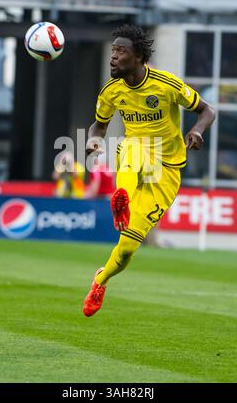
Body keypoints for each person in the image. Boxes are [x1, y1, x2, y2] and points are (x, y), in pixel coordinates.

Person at [82, 24, 215, 317]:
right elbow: (99, 125)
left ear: (139, 56)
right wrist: (93, 139)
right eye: (113, 50)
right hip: (137, 149)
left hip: (168, 168)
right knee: (133, 150)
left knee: (128, 248)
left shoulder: (166, 84)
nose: (113, 57)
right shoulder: (111, 91)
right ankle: (123, 199)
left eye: (120, 51)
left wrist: (197, 130)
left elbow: (207, 109)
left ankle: (100, 280)